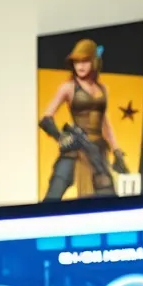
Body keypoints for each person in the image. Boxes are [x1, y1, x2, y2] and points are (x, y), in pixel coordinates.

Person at [38, 38, 128, 201]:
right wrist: (61, 137)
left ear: (94, 62)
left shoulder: (102, 89)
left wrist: (116, 151)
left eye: (85, 61)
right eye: (76, 61)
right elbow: (45, 118)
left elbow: (105, 123)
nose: (80, 66)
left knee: (109, 199)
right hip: (74, 149)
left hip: (96, 151)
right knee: (52, 198)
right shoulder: (69, 87)